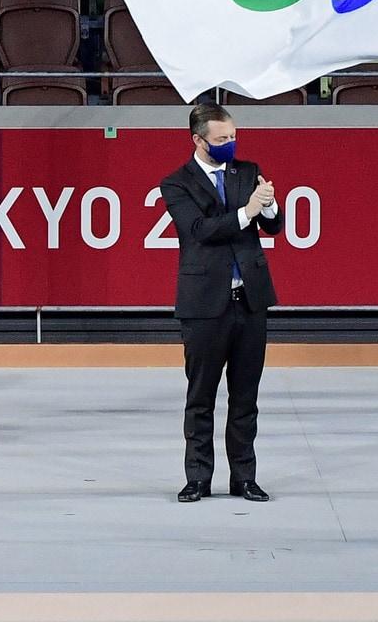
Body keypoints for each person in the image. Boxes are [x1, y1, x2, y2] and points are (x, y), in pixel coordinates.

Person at [160, 103, 283, 503]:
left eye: (233, 137)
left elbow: (273, 227)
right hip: (204, 304)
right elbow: (199, 231)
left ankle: (244, 477)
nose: (230, 144)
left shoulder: (246, 171)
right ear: (198, 140)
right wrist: (247, 211)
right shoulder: (176, 183)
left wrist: (268, 205)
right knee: (201, 397)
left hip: (249, 299)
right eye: (221, 139)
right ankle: (197, 477)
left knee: (246, 397)